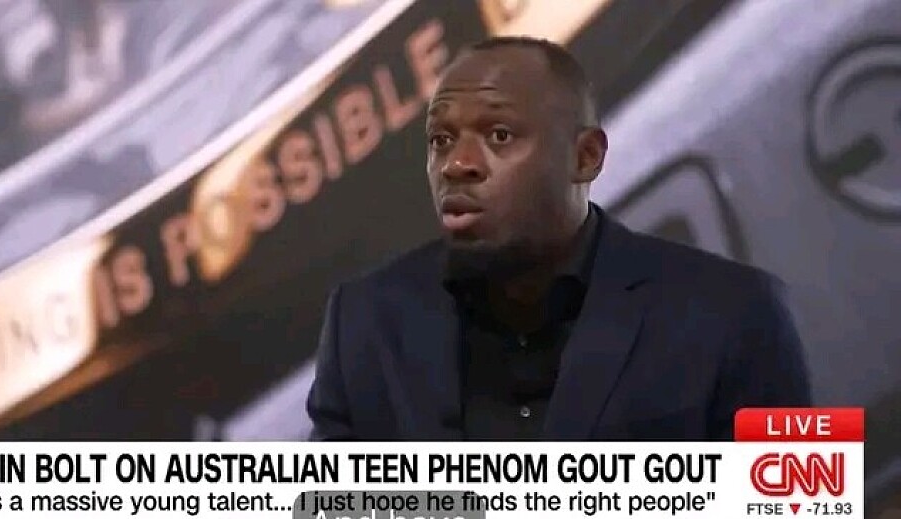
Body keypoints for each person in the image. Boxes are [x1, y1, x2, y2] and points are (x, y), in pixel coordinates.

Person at [305, 36, 811, 441]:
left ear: (585, 157)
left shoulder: (733, 312)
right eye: (441, 140)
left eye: (499, 135)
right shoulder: (365, 324)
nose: (457, 165)